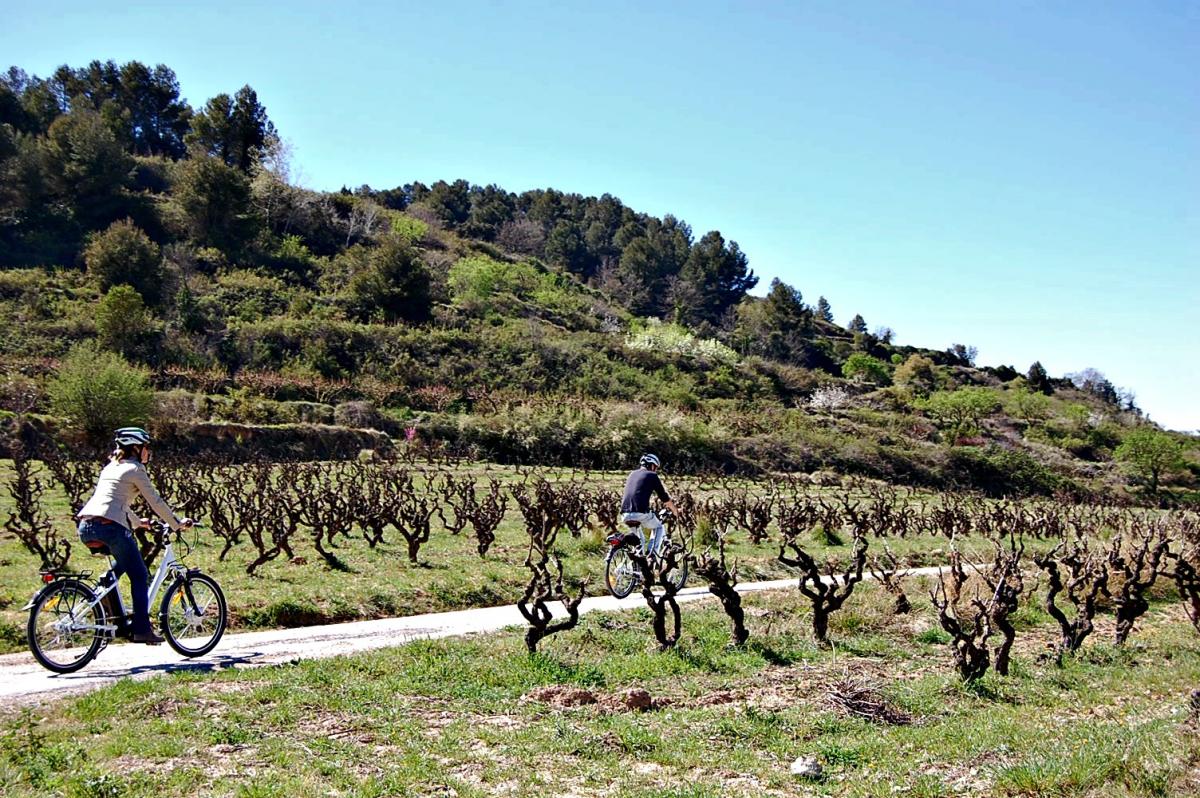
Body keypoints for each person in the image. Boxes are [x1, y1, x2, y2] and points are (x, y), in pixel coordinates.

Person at [75, 427, 193, 644]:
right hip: (111, 527)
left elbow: (112, 501)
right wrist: (176, 524)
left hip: (86, 525)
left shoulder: (110, 468)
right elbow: (155, 501)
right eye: (146, 447)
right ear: (136, 448)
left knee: (124, 564)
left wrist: (139, 523)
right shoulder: (135, 469)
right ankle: (141, 629)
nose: (148, 452)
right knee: (139, 574)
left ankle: (115, 615)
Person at [619, 453, 678, 557]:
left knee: (639, 541)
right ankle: (652, 555)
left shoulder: (632, 474)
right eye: (655, 467)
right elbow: (664, 497)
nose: (655, 470)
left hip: (624, 514)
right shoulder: (652, 475)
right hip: (640, 513)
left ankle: (636, 568)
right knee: (659, 527)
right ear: (652, 465)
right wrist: (675, 511)